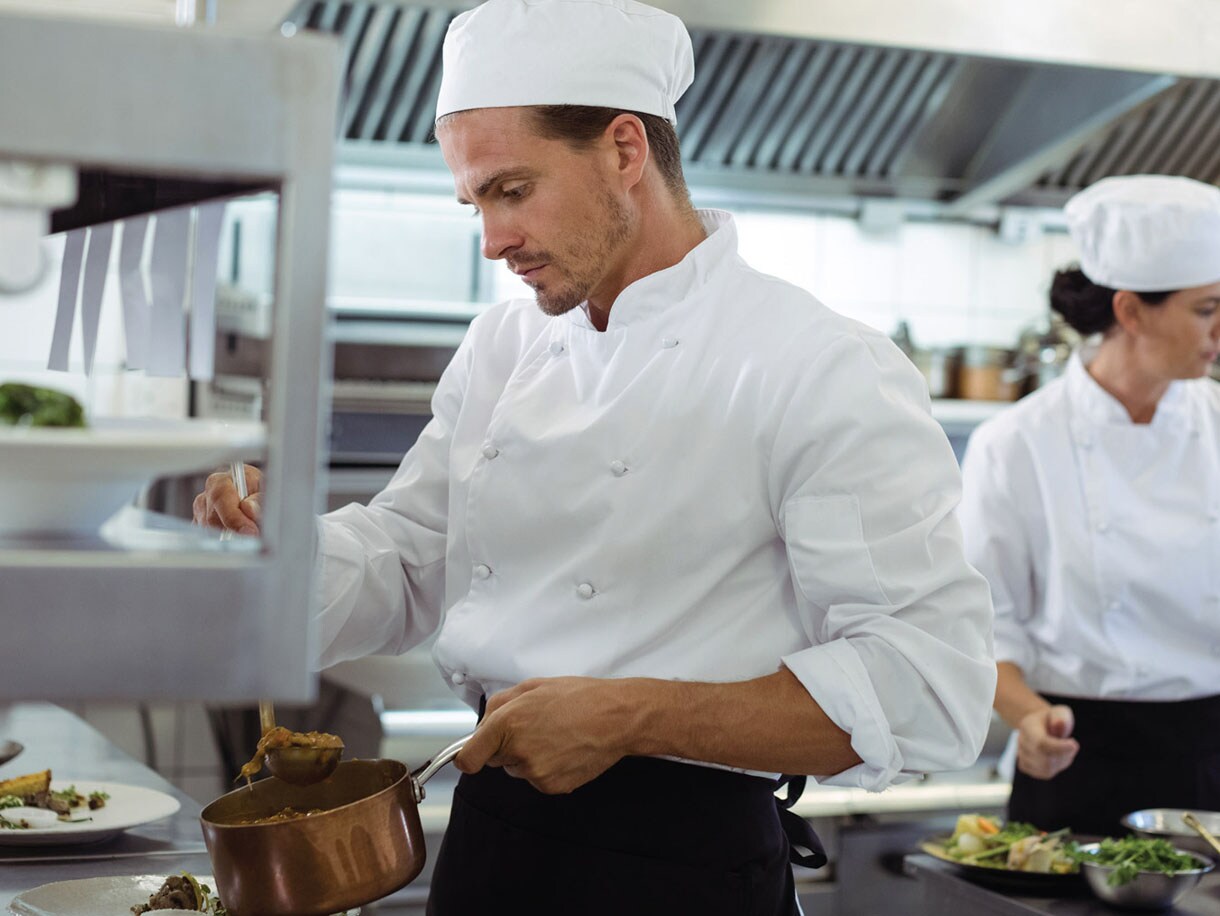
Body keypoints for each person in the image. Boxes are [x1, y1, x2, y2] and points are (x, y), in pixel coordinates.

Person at [195, 0, 995, 911]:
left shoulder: (815, 365)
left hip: (681, 867)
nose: (492, 241)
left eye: (511, 190)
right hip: (493, 842)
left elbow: (930, 681)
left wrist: (629, 715)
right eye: (474, 203)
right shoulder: (502, 345)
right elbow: (412, 560)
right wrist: (283, 542)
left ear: (624, 150)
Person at [959, 174, 1220, 838]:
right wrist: (1026, 717)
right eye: (1205, 308)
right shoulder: (1014, 445)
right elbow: (985, 628)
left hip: (1212, 750)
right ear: (1131, 312)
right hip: (1077, 753)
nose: (1219, 329)